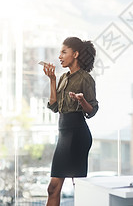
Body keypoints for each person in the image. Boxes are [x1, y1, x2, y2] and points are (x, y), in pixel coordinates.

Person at [43, 37, 98, 206]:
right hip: (64, 135)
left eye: (63, 52)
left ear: (75, 54)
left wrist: (81, 101)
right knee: (53, 188)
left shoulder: (85, 79)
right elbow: (54, 106)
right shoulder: (63, 78)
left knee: (79, 187)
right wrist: (52, 79)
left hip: (78, 134)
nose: (59, 56)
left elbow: (93, 110)